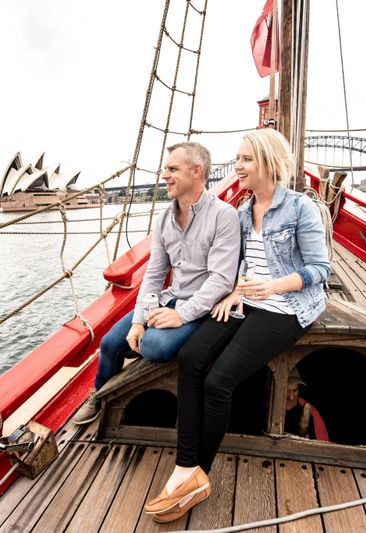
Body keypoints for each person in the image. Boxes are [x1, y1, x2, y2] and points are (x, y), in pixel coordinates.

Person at [143, 128, 331, 522]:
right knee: (191, 358)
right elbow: (242, 265)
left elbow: (319, 269)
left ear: (266, 162)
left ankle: (198, 475)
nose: (237, 167)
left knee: (219, 381)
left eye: (245, 159)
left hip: (287, 306)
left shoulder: (300, 208)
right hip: (248, 299)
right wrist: (233, 292)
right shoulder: (244, 212)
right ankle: (183, 465)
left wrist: (272, 286)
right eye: (238, 159)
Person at [72, 142, 240, 424]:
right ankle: (100, 396)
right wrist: (139, 319)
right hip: (169, 297)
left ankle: (145, 360)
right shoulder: (164, 219)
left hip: (200, 306)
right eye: (165, 169)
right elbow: (153, 275)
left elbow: (221, 280)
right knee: (110, 343)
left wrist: (181, 315)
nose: (164, 175)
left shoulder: (224, 216)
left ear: (197, 171)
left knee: (154, 347)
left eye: (172, 169)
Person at [284, 366, 329, 441]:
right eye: (286, 390)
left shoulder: (310, 411)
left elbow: (324, 448)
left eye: (295, 390)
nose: (291, 397)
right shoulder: (260, 407)